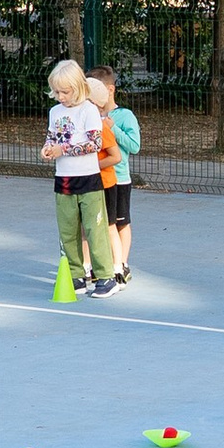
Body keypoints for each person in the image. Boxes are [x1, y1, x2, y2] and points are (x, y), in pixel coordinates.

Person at [44, 58, 112, 294]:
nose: (60, 96)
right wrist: (47, 149)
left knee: (95, 229)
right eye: (57, 92)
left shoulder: (88, 110)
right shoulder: (55, 112)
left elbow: (95, 144)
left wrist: (63, 149)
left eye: (65, 91)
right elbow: (52, 138)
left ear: (78, 87)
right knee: (68, 231)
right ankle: (75, 275)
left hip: (88, 179)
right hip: (63, 179)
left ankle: (105, 276)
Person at [89, 65, 139, 286]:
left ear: (110, 90)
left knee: (120, 223)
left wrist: (113, 129)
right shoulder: (89, 115)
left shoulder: (125, 116)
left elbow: (134, 146)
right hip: (95, 179)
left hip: (119, 179)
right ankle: (98, 265)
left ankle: (122, 264)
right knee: (99, 223)